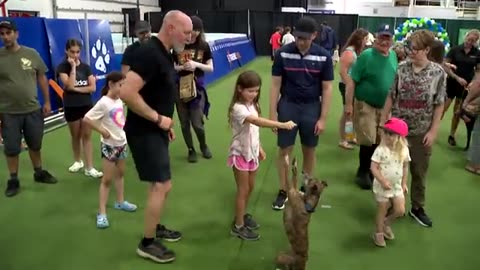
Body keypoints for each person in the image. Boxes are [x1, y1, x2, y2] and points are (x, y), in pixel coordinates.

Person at [119, 10, 192, 263]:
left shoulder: (164, 52)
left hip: (155, 128)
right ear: (170, 28)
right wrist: (158, 119)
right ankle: (147, 243)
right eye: (185, 31)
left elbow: (156, 91)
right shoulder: (150, 53)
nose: (189, 37)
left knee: (161, 185)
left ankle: (155, 225)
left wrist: (164, 123)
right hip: (144, 130)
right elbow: (127, 92)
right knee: (162, 184)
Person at [382, 30, 446, 228]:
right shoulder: (401, 68)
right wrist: (384, 120)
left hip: (421, 131)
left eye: (416, 49)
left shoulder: (438, 73)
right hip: (397, 130)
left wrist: (433, 131)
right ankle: (393, 203)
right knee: (393, 169)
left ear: (427, 50)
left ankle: (417, 207)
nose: (411, 52)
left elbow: (439, 103)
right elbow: (391, 95)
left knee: (419, 170)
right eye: (409, 47)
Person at [269, 16, 333, 210]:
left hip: (311, 107)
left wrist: (322, 118)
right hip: (288, 105)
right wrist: (272, 115)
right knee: (285, 149)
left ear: (314, 35)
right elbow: (275, 84)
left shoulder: (324, 56)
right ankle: (284, 190)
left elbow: (327, 88)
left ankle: (305, 188)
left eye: (305, 38)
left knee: (309, 149)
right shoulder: (282, 54)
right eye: (297, 37)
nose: (300, 41)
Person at [228, 70, 296, 240]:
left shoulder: (253, 105)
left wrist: (259, 149)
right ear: (239, 89)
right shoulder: (238, 108)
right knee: (243, 190)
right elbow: (256, 121)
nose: (254, 94)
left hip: (252, 154)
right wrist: (281, 124)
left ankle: (241, 215)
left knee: (250, 188)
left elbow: (254, 131)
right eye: (250, 91)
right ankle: (238, 226)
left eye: (256, 91)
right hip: (240, 154)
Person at [0, 19, 57, 197]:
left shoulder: (31, 54)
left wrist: (47, 102)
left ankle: (38, 172)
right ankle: (13, 179)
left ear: (16, 34)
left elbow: (41, 77)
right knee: (11, 147)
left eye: (8, 33)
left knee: (35, 144)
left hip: (32, 109)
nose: (5, 37)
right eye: (2, 34)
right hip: (8, 112)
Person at [344, 24, 398, 190]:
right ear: (376, 37)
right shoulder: (366, 55)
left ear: (391, 40)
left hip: (385, 107)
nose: (384, 41)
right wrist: (348, 105)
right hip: (365, 103)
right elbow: (352, 81)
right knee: (368, 139)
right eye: (381, 37)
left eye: (387, 38)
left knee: (379, 139)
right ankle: (362, 171)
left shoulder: (393, 56)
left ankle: (371, 170)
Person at [83, 71, 137, 229]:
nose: (123, 88)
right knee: (106, 180)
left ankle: (120, 202)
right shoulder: (103, 102)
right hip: (109, 146)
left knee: (120, 174)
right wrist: (101, 130)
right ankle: (102, 213)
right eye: (121, 85)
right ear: (111, 84)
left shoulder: (119, 100)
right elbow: (87, 118)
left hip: (121, 143)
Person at [56, 39, 103, 178]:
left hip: (86, 105)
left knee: (87, 136)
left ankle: (89, 167)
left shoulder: (86, 67)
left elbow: (93, 88)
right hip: (71, 105)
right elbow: (69, 85)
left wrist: (76, 89)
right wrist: (74, 68)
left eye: (77, 52)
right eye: (72, 52)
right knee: (75, 135)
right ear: (66, 51)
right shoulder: (62, 67)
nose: (75, 55)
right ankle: (78, 161)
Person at [173, 15, 213, 163]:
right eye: (190, 30)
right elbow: (172, 66)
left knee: (197, 123)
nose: (193, 33)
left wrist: (196, 65)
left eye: (196, 30)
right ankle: (191, 149)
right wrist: (181, 67)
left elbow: (210, 67)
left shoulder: (204, 45)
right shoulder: (177, 45)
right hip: (180, 87)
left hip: (197, 88)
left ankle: (203, 145)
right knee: (184, 122)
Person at [370, 117, 410, 247]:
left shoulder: (404, 150)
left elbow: (405, 167)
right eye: (385, 132)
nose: (387, 136)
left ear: (399, 137)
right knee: (382, 208)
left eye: (391, 134)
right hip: (382, 187)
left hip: (396, 186)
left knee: (400, 210)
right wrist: (382, 181)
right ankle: (379, 233)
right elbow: (373, 167)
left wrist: (404, 183)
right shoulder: (380, 150)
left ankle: (386, 223)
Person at [443, 29, 480, 147]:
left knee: (457, 112)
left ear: (476, 41)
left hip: (465, 87)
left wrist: (473, 82)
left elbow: (478, 71)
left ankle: (452, 136)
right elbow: (445, 66)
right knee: (442, 108)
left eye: (473, 40)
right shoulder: (455, 50)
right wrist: (456, 77)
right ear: (466, 37)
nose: (470, 42)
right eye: (469, 39)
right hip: (451, 84)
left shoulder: (477, 53)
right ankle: (431, 130)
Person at [338, 28, 369, 150]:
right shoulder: (349, 52)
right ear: (359, 39)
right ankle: (343, 139)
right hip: (346, 86)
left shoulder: (356, 52)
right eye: (365, 39)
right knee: (347, 113)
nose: (366, 42)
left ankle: (350, 136)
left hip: (352, 86)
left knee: (351, 114)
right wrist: (349, 86)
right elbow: (342, 72)